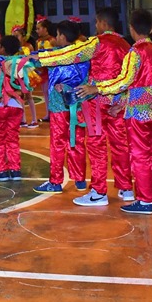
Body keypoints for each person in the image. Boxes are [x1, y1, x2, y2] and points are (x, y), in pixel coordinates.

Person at [77, 10, 152, 215]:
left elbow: (124, 81)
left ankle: (144, 200)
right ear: (151, 28)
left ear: (131, 28)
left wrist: (97, 88)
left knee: (139, 155)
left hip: (138, 113)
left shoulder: (135, 53)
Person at [37, 7, 132, 206]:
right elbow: (130, 77)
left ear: (103, 23)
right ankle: (126, 188)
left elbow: (71, 54)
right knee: (120, 145)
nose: (95, 26)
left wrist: (39, 58)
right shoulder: (126, 45)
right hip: (117, 102)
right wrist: (123, 100)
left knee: (96, 145)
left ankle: (98, 192)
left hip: (97, 100)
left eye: (97, 22)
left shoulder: (98, 42)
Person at [33, 20, 89, 194]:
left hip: (58, 106)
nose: (55, 38)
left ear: (63, 37)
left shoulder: (54, 55)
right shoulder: (83, 55)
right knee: (77, 141)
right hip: (78, 105)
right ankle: (80, 180)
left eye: (57, 35)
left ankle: (55, 181)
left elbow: (36, 60)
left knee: (57, 143)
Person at [0, 35, 28, 181]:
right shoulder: (20, 64)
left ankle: (1, 171)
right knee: (12, 138)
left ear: (1, 48)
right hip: (16, 105)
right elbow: (26, 86)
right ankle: (15, 170)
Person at [12, 26, 39, 127]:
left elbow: (33, 59)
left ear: (23, 36)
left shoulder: (29, 46)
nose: (15, 38)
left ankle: (34, 119)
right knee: (20, 96)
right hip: (17, 74)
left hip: (27, 73)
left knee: (29, 96)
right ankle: (23, 119)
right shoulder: (13, 48)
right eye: (13, 36)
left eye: (17, 36)